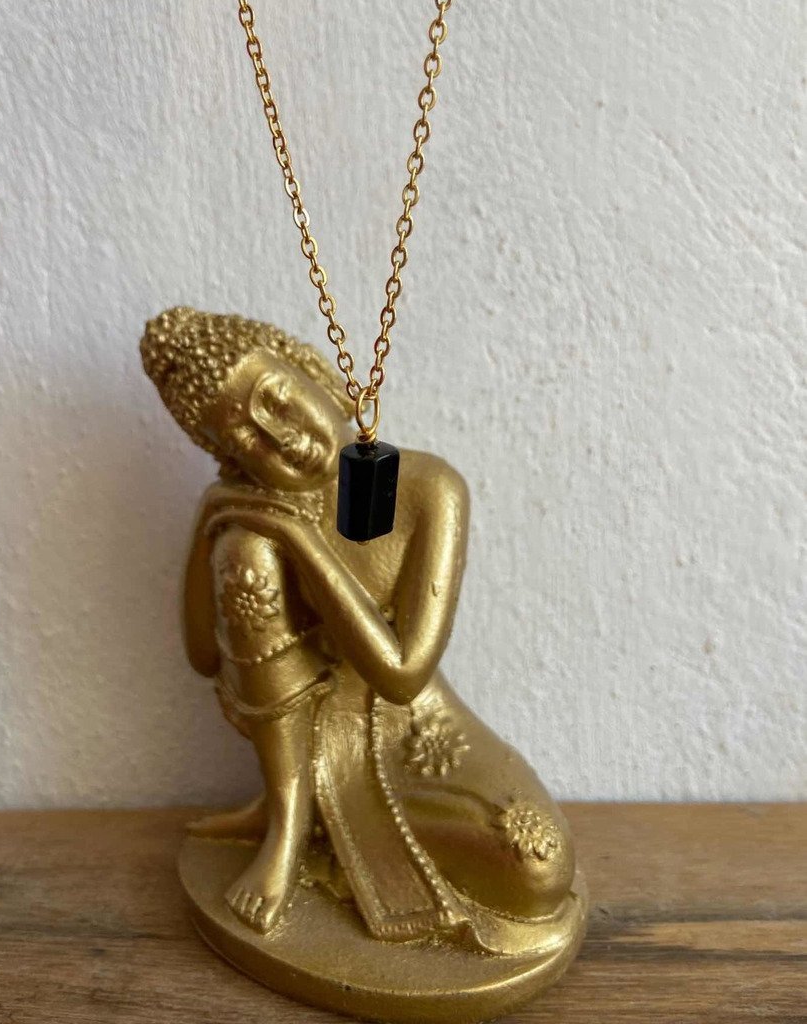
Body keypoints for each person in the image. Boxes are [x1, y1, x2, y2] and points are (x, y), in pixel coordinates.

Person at [141, 308, 579, 950]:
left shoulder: (429, 487)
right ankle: (290, 821)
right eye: (244, 442)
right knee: (243, 549)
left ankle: (325, 822)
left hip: (415, 731)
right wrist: (212, 518)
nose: (280, 437)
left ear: (311, 370)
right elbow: (205, 656)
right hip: (300, 731)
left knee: (537, 866)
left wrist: (301, 540)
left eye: (277, 399)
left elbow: (403, 676)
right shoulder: (253, 521)